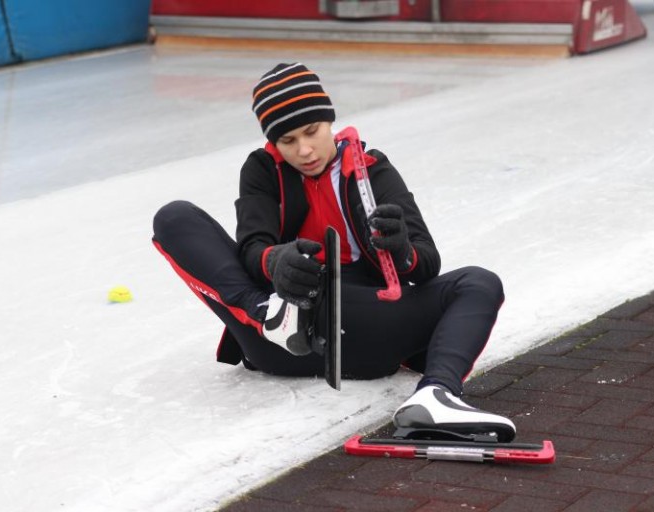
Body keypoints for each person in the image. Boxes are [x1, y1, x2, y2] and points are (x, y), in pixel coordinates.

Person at [152, 62, 515, 440]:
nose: (304, 150)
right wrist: (276, 262)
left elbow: (426, 263)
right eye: (287, 141)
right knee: (175, 218)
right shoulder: (262, 170)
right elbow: (252, 249)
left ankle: (436, 395)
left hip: (367, 323)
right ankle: (268, 316)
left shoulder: (373, 169)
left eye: (311, 131)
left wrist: (401, 250)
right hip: (285, 330)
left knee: (478, 282)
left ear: (330, 122)